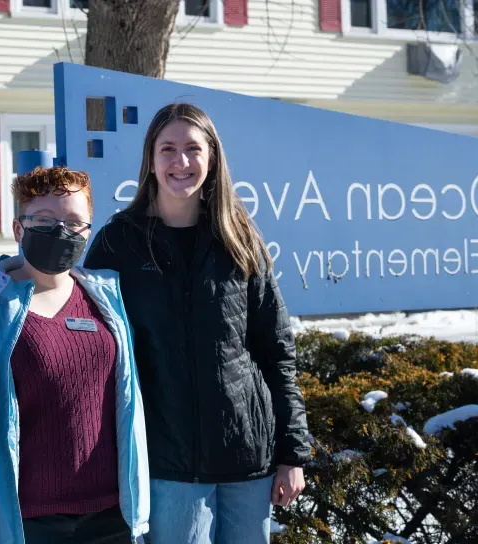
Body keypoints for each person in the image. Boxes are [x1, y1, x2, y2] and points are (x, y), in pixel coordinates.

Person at [84, 103, 312, 544]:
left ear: (212, 158)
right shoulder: (119, 242)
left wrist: (292, 453)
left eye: (193, 149)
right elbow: (94, 352)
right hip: (167, 465)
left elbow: (275, 351)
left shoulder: (240, 239)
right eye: (167, 148)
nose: (181, 162)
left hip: (248, 462)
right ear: (150, 159)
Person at [0, 166, 151, 544]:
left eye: (73, 221)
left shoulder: (106, 298)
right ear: (19, 229)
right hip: (29, 520)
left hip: (110, 515)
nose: (61, 231)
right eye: (45, 220)